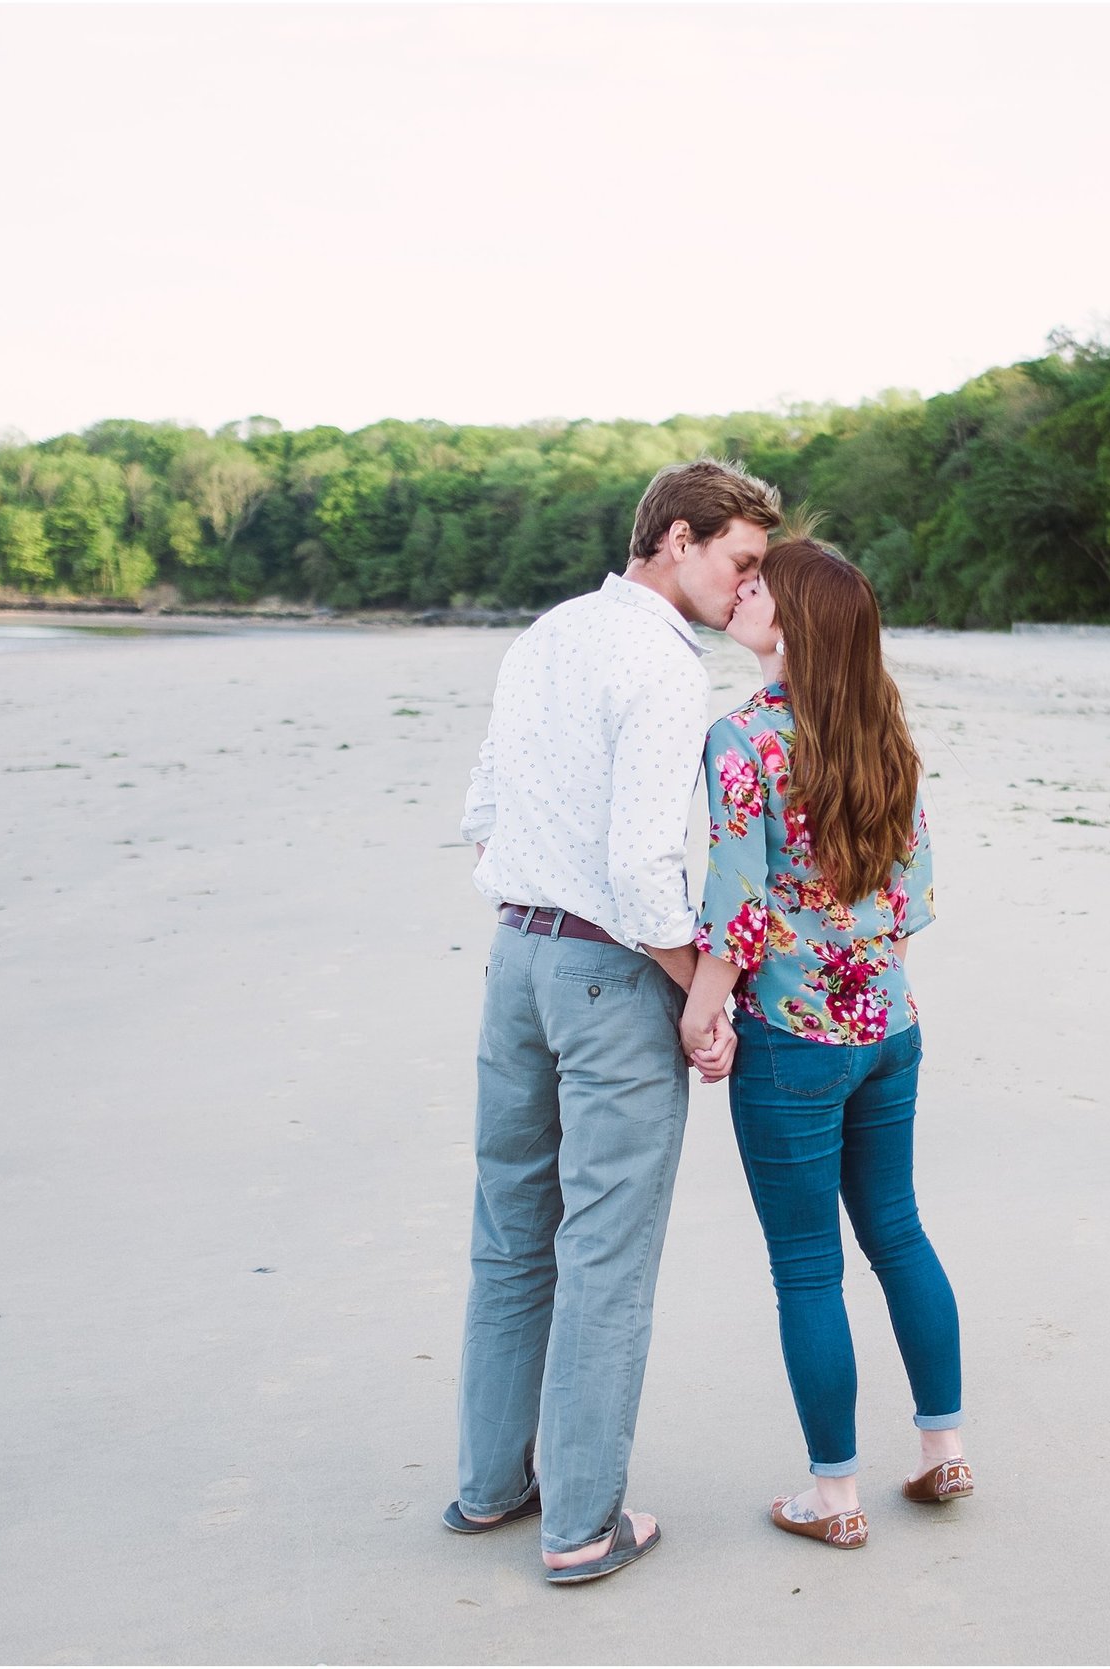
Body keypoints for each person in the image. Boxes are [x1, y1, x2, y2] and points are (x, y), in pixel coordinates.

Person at [444, 458, 777, 1584]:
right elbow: (644, 871)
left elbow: (481, 810)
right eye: (738, 562)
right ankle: (582, 1522)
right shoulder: (661, 665)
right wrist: (700, 994)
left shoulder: (544, 634)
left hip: (515, 958)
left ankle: (491, 1486)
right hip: (606, 972)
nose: (745, 591)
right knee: (604, 1254)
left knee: (508, 1232)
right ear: (676, 539)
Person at [676, 536, 971, 1553]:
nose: (743, 592)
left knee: (807, 1268)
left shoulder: (744, 741)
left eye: (763, 587)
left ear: (797, 625)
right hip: (889, 1027)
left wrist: (698, 1010)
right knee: (898, 1231)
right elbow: (913, 896)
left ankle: (832, 1495)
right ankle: (943, 1447)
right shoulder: (888, 737)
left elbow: (737, 908)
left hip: (793, 1042)